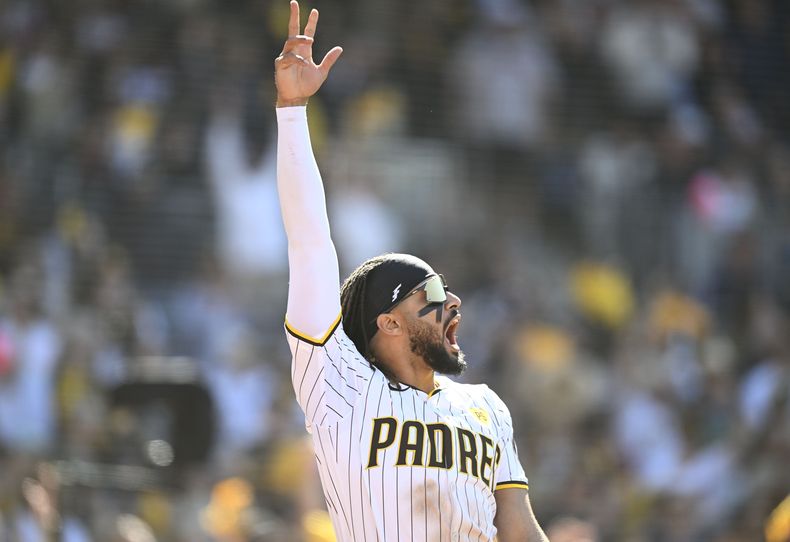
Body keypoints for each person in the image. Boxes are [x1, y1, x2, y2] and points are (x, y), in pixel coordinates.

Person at [274, 2, 549, 540]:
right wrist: (292, 110)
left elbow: (520, 529)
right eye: (433, 293)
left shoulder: (486, 407)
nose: (454, 302)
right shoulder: (340, 388)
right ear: (388, 322)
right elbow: (310, 245)